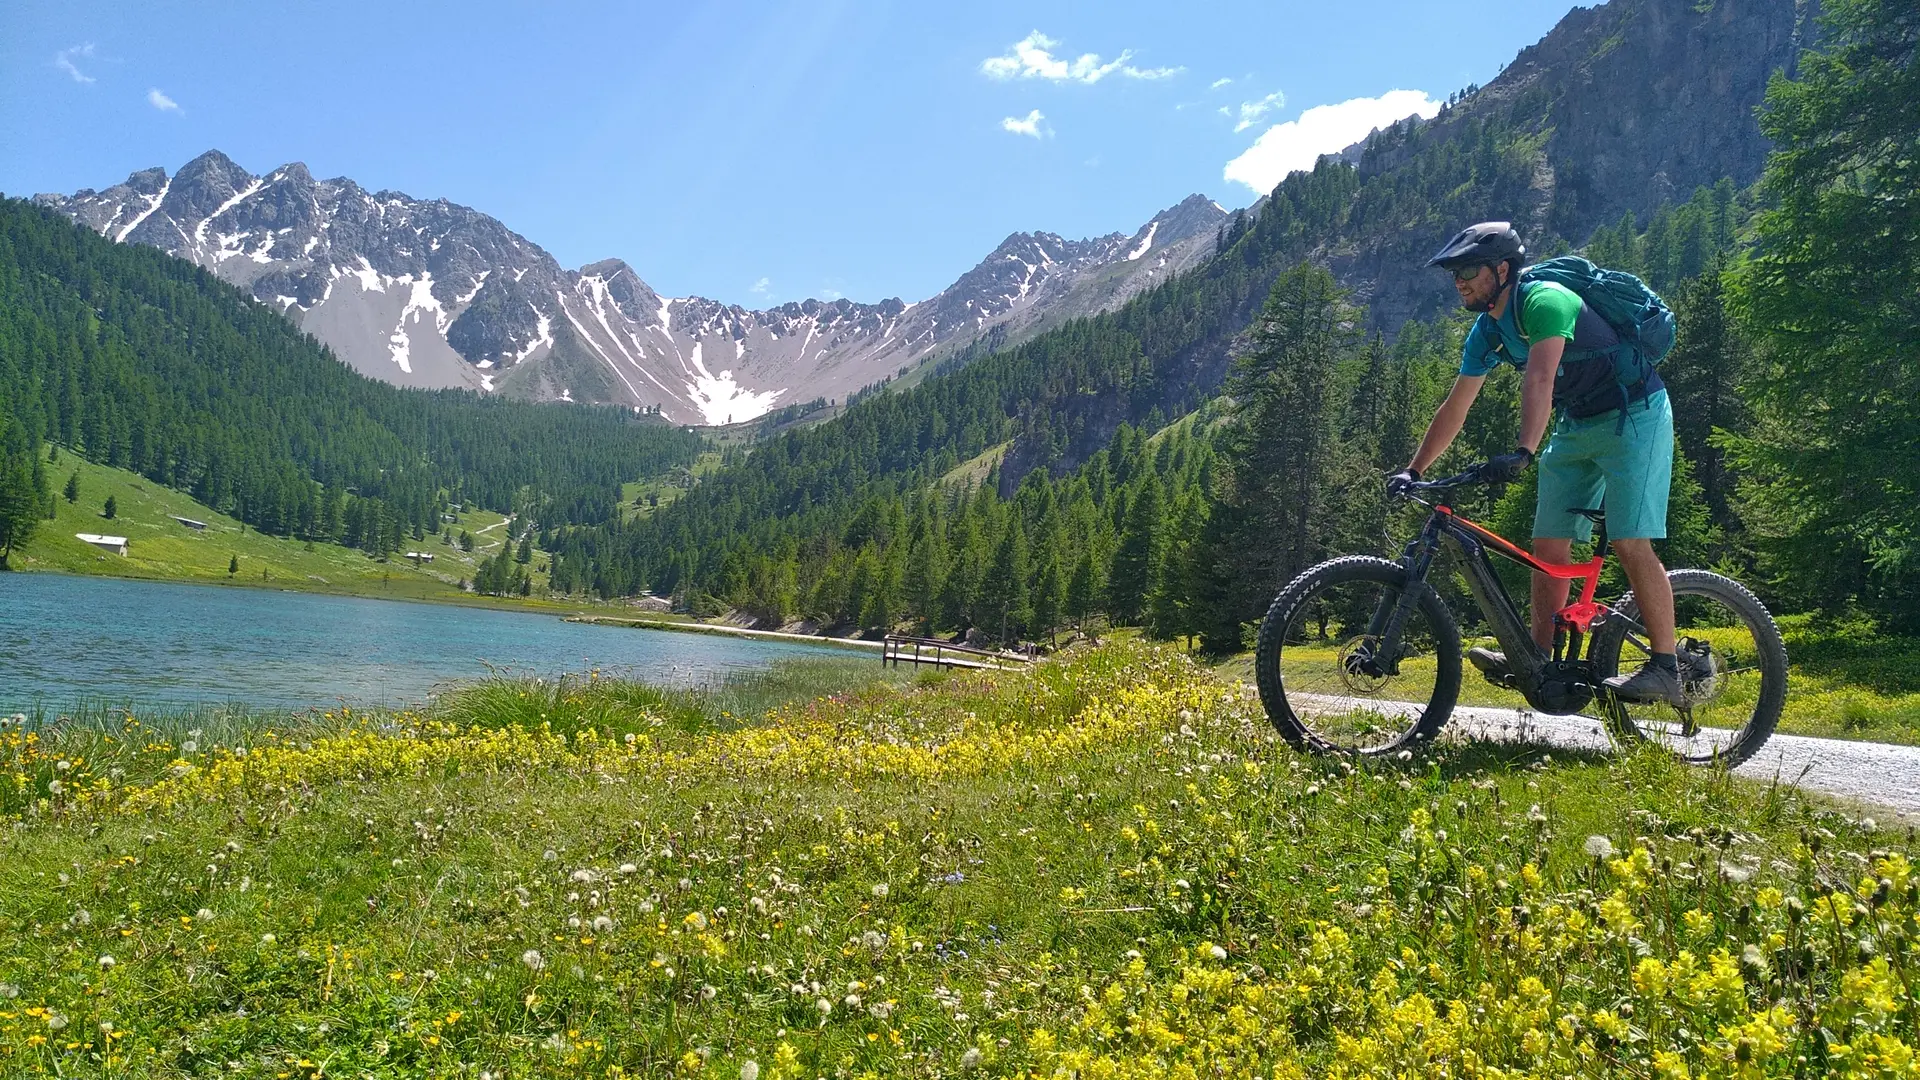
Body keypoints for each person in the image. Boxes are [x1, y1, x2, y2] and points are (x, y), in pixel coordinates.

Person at [1387, 222, 1684, 706]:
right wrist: (1414, 469)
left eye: (1467, 270)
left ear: (1502, 270)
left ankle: (1667, 666)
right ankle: (1537, 656)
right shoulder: (1487, 331)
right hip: (1577, 424)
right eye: (1453, 274)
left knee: (1631, 542)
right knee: (1549, 545)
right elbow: (1457, 404)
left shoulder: (1546, 300)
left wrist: (1525, 449)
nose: (1458, 281)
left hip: (1636, 415)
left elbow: (1541, 378)